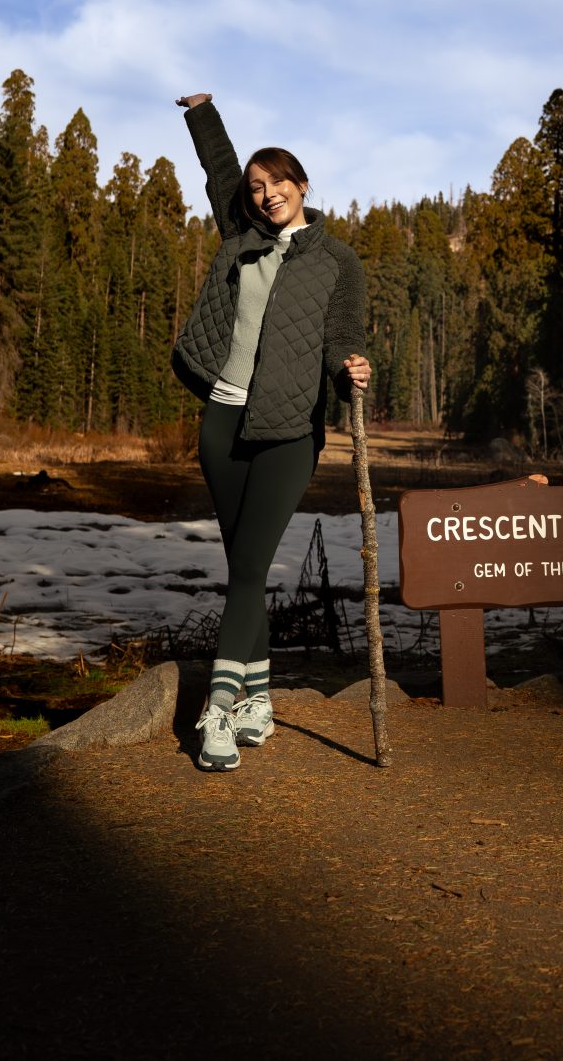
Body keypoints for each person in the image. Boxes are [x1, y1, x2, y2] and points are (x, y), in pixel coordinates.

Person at [172, 93, 370, 771]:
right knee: (245, 571)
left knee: (251, 566)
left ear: (301, 184)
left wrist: (352, 373)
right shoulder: (243, 239)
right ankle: (258, 700)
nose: (264, 195)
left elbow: (342, 339)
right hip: (223, 420)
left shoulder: (336, 260)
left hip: (289, 430)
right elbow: (219, 169)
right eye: (255, 188)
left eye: (275, 183)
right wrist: (203, 114)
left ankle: (218, 710)